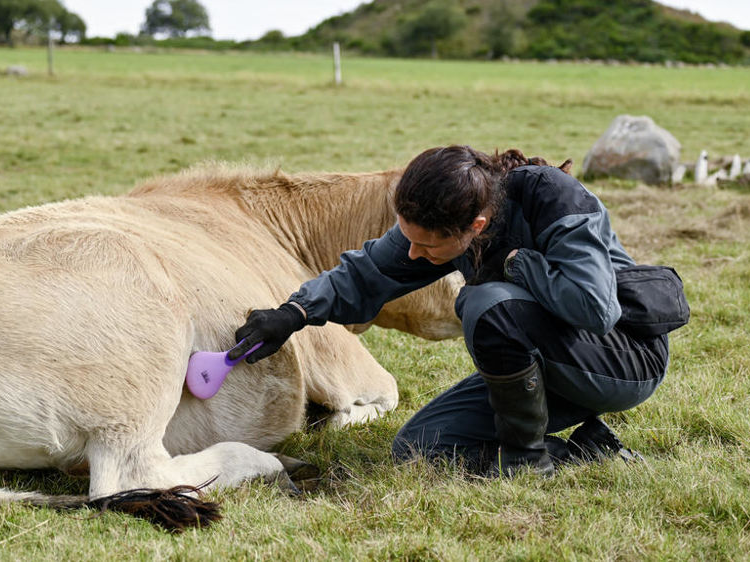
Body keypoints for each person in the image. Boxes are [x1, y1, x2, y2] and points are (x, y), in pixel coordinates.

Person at [228, 145, 682, 477]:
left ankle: (528, 461)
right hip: (544, 361)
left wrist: (513, 263)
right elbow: (367, 273)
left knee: (482, 302)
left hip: (621, 358)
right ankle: (589, 451)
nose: (414, 254)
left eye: (427, 245)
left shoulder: (554, 198)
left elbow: (595, 308)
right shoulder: (447, 222)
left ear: (476, 226)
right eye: (409, 238)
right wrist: (294, 312)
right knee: (421, 448)